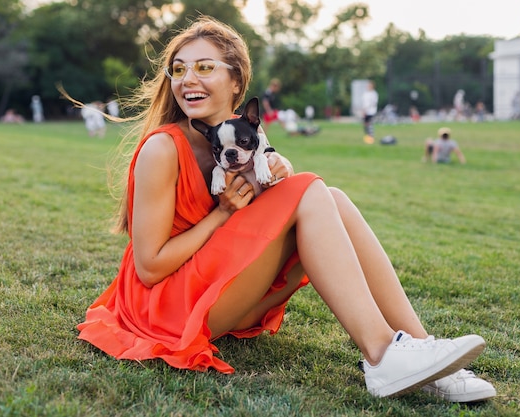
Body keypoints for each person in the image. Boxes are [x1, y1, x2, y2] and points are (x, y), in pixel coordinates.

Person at [76, 17, 494, 402]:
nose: (189, 79)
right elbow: (149, 268)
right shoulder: (162, 150)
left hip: (216, 285)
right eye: (180, 69)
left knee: (333, 197)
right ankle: (383, 354)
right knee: (313, 190)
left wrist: (280, 171)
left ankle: (422, 352)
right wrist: (221, 214)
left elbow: (273, 215)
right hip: (165, 308)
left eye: (204, 67)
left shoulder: (247, 134)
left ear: (236, 82)